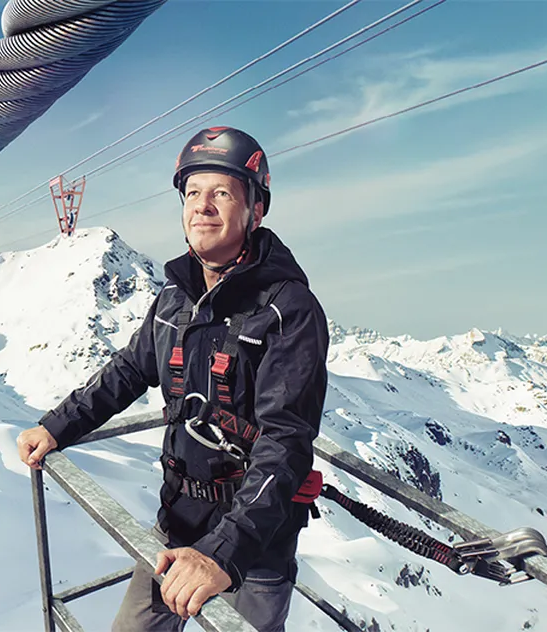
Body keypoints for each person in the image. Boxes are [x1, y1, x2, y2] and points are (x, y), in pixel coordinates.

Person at [17, 126, 330, 631]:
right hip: (178, 521)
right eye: (192, 193)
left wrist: (223, 555)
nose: (202, 206)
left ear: (257, 210)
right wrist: (58, 426)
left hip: (254, 545)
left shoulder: (288, 311)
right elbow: (129, 369)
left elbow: (285, 442)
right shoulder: (174, 298)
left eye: (222, 193)